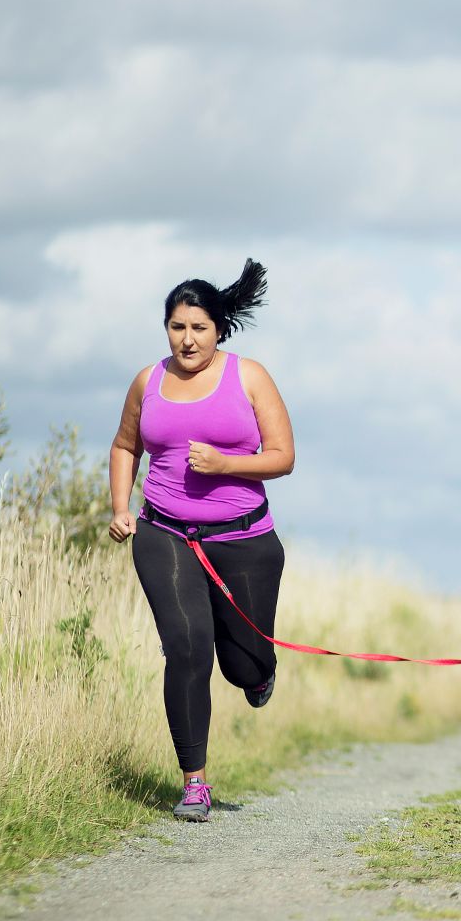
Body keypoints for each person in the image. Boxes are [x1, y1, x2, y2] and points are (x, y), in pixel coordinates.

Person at [108, 259, 294, 822]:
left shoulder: (250, 377)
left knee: (241, 664)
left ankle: (260, 672)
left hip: (243, 539)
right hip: (164, 533)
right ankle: (194, 782)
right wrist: (122, 508)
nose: (187, 340)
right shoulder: (149, 381)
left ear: (220, 330)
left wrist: (225, 463)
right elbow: (124, 447)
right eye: (177, 327)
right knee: (187, 647)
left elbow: (283, 457)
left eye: (199, 328)